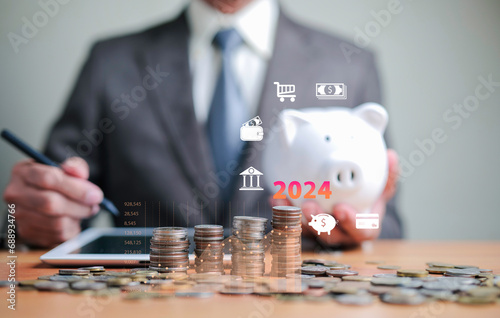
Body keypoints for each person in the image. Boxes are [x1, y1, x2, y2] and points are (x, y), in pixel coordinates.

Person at [3, 0, 402, 248]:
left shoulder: (350, 64)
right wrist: (34, 221)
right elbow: (49, 203)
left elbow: (388, 226)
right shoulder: (111, 61)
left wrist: (363, 229)